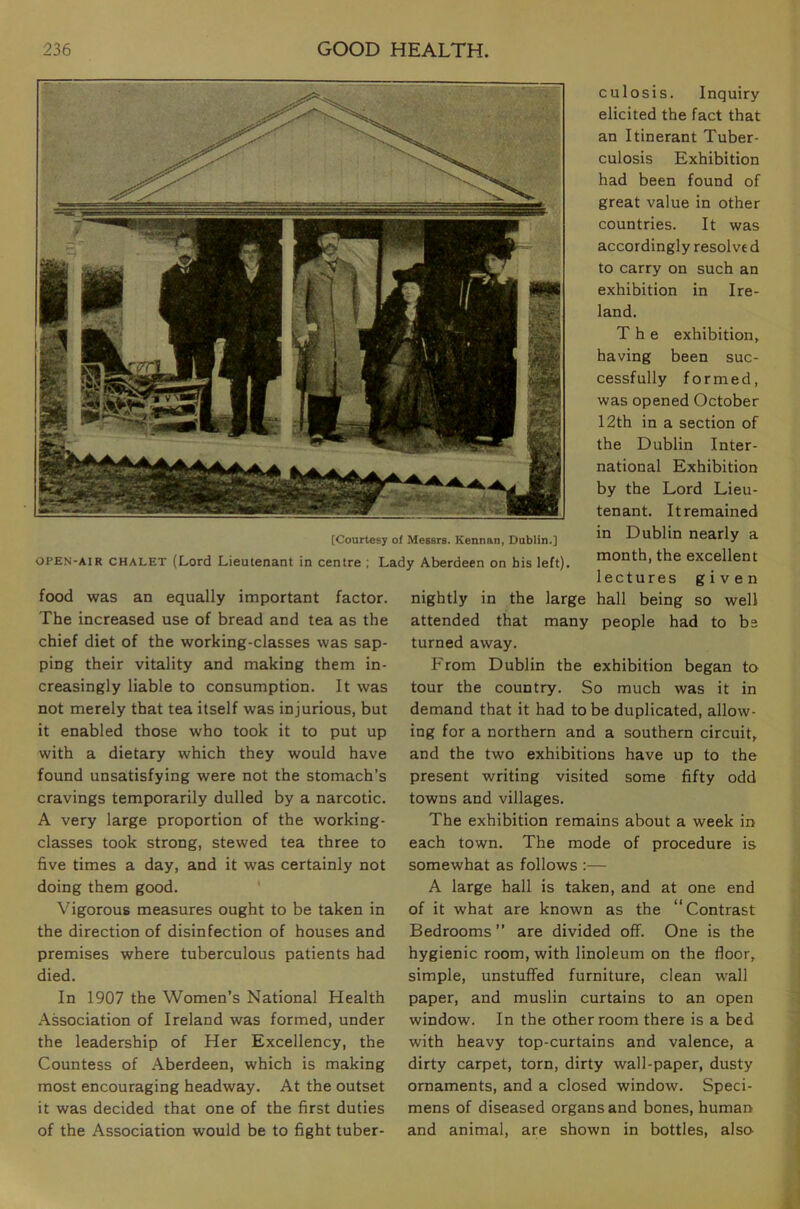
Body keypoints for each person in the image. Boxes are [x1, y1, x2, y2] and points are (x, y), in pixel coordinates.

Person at [362, 264, 450, 453]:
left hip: (419, 362)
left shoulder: (429, 312)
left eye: (413, 288)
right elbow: (380, 338)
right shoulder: (390, 311)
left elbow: (438, 340)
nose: (409, 292)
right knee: (391, 387)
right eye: (405, 288)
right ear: (400, 291)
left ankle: (419, 433)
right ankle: (385, 430)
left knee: (420, 392)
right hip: (395, 360)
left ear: (420, 291)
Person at [292, 224, 361, 446]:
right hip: (319, 334)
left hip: (342, 335)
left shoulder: (349, 270)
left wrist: (348, 326)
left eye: (334, 238)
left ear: (338, 241)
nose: (331, 243)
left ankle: (331, 428)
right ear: (319, 243)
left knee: (337, 381)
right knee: (318, 381)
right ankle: (316, 430)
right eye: (326, 239)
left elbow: (355, 302)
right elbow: (298, 303)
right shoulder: (308, 269)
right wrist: (301, 331)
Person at [215, 236, 281, 438]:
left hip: (263, 340)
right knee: (238, 383)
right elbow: (222, 308)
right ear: (240, 256)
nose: (250, 256)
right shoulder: (230, 277)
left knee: (260, 383)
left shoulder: (271, 276)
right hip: (238, 340)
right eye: (246, 252)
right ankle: (238, 424)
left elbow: (279, 307)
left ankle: (257, 423)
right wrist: (221, 337)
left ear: (260, 255)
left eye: (254, 252)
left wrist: (278, 336)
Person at [457, 236, 518, 446]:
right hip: (479, 344)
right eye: (487, 260)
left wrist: (514, 345)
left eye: (494, 260)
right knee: (476, 386)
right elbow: (471, 316)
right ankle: (473, 429)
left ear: (503, 262)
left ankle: (498, 433)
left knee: (499, 387)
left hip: (500, 347)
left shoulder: (511, 286)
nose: (489, 264)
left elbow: (514, 318)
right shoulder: (478, 285)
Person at [158, 233, 216, 431]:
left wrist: (203, 325)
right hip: (181, 337)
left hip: (203, 337)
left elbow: (213, 304)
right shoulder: (168, 276)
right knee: (184, 378)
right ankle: (187, 420)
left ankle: (205, 420)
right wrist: (180, 324)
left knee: (204, 378)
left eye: (188, 248)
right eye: (181, 248)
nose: (185, 252)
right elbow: (163, 308)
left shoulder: (206, 272)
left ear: (193, 250)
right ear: (176, 249)